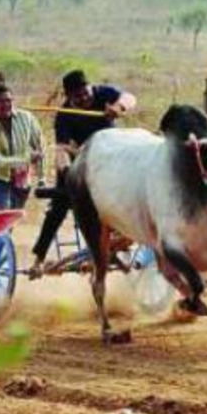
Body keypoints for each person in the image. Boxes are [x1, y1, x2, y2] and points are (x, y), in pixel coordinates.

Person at [29, 69, 136, 277]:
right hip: (79, 163)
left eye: (85, 93)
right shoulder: (64, 115)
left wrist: (118, 107)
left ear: (90, 87)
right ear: (68, 97)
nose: (84, 98)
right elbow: (61, 150)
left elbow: (130, 97)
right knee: (58, 208)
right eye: (77, 97)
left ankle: (123, 236)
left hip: (110, 162)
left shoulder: (103, 93)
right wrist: (66, 172)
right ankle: (39, 259)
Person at [0, 84, 44, 212]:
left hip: (22, 179)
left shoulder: (26, 118)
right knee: (3, 214)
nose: (6, 104)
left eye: (9, 100)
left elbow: (39, 147)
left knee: (11, 219)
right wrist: (26, 159)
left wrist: (41, 178)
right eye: (1, 101)